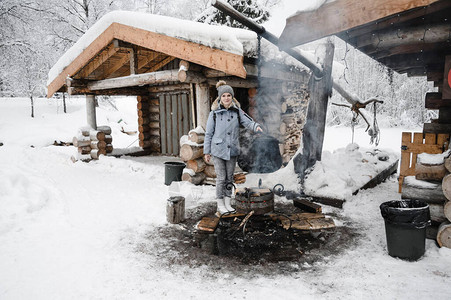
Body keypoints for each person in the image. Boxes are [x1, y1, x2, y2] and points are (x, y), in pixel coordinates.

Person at [204, 81, 263, 215]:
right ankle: (220, 203)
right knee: (221, 177)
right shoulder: (214, 114)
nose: (226, 98)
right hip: (218, 150)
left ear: (232, 97)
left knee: (229, 177)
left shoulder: (237, 111)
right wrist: (207, 151)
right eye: (224, 95)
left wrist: (255, 126)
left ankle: (227, 201)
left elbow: (247, 121)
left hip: (232, 149)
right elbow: (208, 134)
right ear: (220, 98)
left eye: (228, 95)